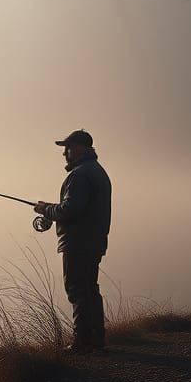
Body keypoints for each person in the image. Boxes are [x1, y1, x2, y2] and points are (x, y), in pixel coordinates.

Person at [34, 130, 112, 354]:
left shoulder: (79, 175)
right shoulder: (96, 171)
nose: (65, 153)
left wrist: (46, 210)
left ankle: (81, 342)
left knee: (77, 290)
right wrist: (50, 209)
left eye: (67, 148)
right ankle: (96, 339)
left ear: (79, 148)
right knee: (89, 289)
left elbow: (71, 209)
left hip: (78, 243)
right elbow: (76, 207)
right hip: (94, 240)